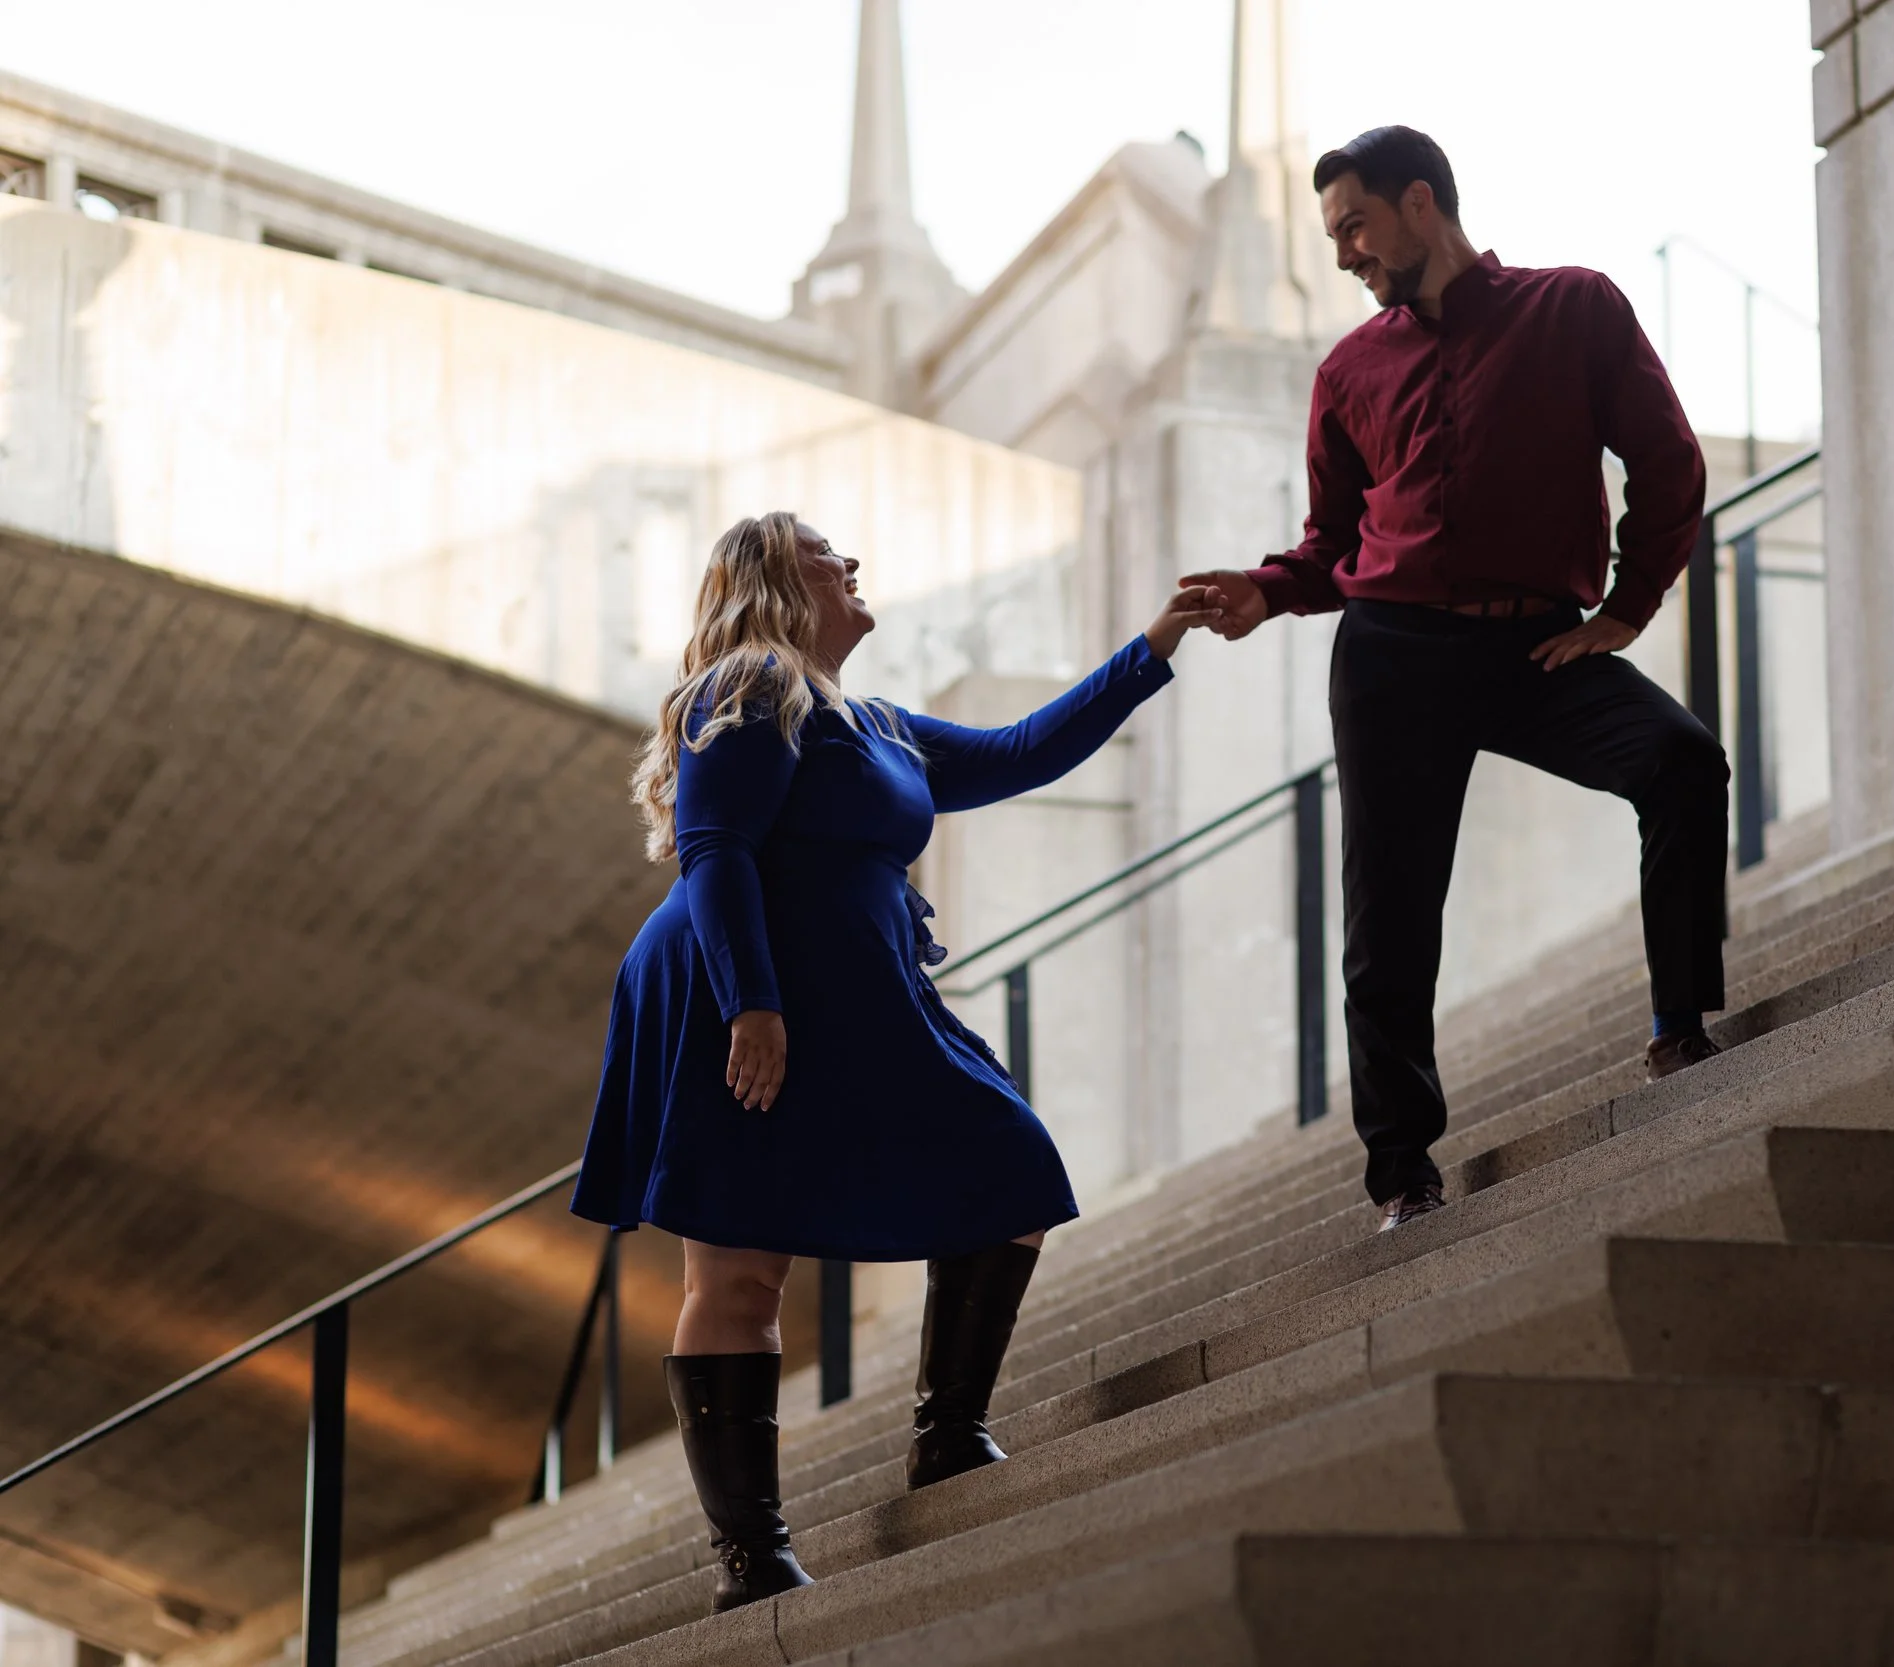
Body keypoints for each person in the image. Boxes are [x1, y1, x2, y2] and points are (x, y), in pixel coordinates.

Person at [570, 512, 1218, 1609]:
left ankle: (947, 1435)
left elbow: (1020, 753)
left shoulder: (868, 721)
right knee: (738, 1269)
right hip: (740, 985)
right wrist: (752, 1007)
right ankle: (750, 1555)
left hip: (852, 990)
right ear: (778, 578)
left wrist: (1151, 649)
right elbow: (716, 849)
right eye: (829, 553)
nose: (854, 563)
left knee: (1007, 1162)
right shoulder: (750, 683)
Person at [1184, 126, 1724, 1235]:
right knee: (1388, 916)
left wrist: (1625, 608)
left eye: (1354, 225)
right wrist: (1268, 590)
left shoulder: (1574, 309)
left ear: (1419, 202)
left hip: (1536, 645)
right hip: (1392, 655)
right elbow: (1335, 539)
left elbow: (1668, 461)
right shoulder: (1348, 370)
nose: (1344, 253)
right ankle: (1401, 1173)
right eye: (1333, 234)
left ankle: (1680, 1023)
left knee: (1680, 759)